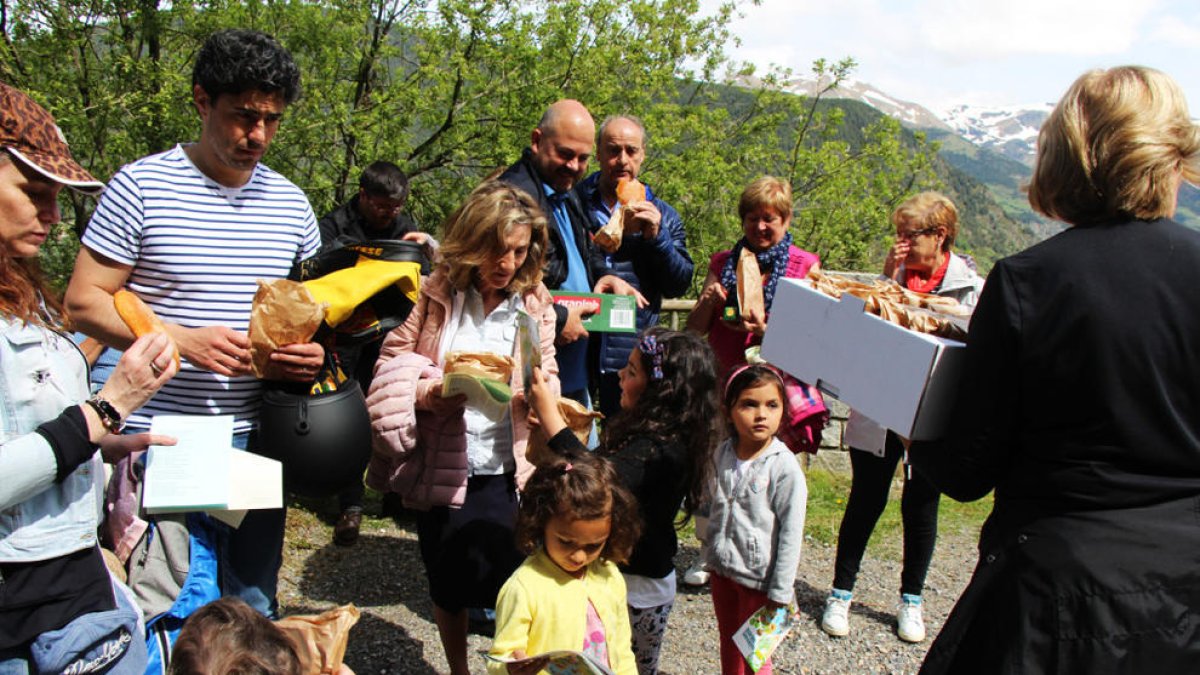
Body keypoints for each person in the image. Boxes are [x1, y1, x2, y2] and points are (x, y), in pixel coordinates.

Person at [908, 66, 1200, 673]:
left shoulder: (1027, 281)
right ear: (1171, 157)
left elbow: (965, 473)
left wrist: (912, 416)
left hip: (1057, 600)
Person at [63, 29, 323, 619]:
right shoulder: (142, 186)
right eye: (242, 116)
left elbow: (306, 317)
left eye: (272, 120)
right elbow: (82, 301)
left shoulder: (292, 205)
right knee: (173, 609)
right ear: (202, 101)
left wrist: (309, 358)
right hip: (160, 440)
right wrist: (180, 340)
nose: (257, 135)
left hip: (256, 441)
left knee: (253, 609)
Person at [0, 82, 179, 672]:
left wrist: (104, 446)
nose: (52, 215)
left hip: (66, 577)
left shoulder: (25, 295)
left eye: (56, 197)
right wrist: (105, 409)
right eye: (33, 192)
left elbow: (32, 428)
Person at [366, 181, 560, 675]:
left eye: (518, 251)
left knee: (515, 585)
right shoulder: (435, 294)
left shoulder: (535, 303)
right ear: (472, 243)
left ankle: (511, 667)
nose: (507, 264)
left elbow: (547, 369)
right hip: (446, 462)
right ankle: (458, 670)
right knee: (447, 581)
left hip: (506, 463)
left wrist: (542, 401)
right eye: (496, 251)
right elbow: (393, 361)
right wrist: (433, 390)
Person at [820, 192, 983, 643]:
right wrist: (889, 280)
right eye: (898, 234)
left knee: (921, 503)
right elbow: (857, 334)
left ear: (940, 236)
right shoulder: (887, 279)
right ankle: (841, 591)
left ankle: (911, 600)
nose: (902, 242)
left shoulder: (971, 288)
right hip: (876, 408)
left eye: (910, 234)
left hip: (931, 413)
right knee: (866, 497)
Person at [528, 328, 720, 674]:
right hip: (629, 580)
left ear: (660, 391)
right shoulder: (656, 433)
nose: (620, 374)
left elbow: (598, 481)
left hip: (637, 591)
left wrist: (550, 419)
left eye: (631, 371)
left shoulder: (660, 449)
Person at [683, 176, 822, 586]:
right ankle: (708, 552)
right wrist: (708, 302)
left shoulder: (805, 265)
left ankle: (769, 559)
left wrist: (767, 332)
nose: (760, 228)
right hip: (726, 384)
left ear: (786, 219)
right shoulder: (723, 262)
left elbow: (814, 337)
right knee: (714, 472)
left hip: (775, 389)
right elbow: (694, 331)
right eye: (752, 218)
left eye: (770, 219)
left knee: (773, 477)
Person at [317, 160, 436, 547]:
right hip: (346, 335)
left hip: (392, 333)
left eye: (397, 207)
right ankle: (350, 504)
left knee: (395, 410)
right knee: (351, 415)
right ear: (364, 196)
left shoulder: (406, 226)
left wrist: (425, 250)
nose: (391, 214)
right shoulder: (335, 224)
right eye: (384, 206)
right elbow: (319, 267)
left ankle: (396, 495)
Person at [498, 99, 643, 408]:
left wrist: (604, 276)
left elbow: (585, 248)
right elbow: (500, 283)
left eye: (582, 158)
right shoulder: (512, 199)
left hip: (572, 372)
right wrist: (560, 317)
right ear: (537, 141)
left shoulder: (565, 189)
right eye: (564, 154)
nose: (574, 167)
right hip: (533, 375)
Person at [574, 115, 693, 418]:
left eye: (631, 151)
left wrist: (657, 238)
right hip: (577, 342)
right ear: (598, 153)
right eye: (613, 150)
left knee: (625, 441)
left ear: (642, 155)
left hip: (630, 353)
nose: (622, 160)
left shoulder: (662, 215)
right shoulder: (574, 204)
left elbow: (678, 284)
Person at [487, 453, 642, 675]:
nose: (578, 556)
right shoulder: (524, 588)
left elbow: (622, 649)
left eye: (593, 546)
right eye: (566, 542)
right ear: (540, 522)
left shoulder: (609, 574)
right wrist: (510, 669)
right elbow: (500, 657)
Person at [705, 365, 807, 675]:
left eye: (771, 405)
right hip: (723, 574)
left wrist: (780, 592)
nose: (761, 414)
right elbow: (713, 508)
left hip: (761, 585)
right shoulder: (722, 454)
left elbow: (791, 534)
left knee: (756, 657)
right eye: (749, 404)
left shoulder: (784, 467)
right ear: (729, 411)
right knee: (730, 645)